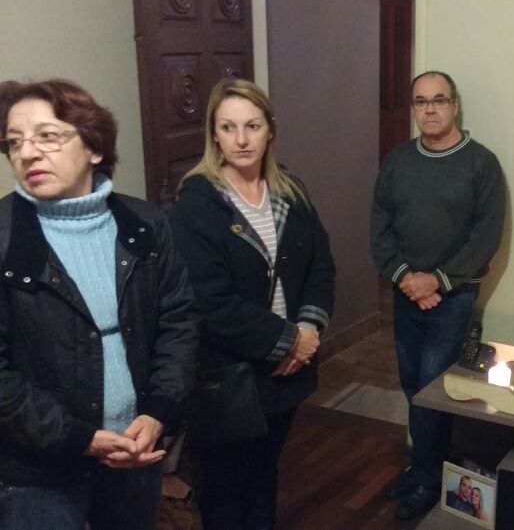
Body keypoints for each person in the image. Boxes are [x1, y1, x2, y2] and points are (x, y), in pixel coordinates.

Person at [0, 79, 198, 528]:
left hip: (135, 450)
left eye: (47, 136)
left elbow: (179, 323)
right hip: (39, 475)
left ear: (93, 147)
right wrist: (78, 437)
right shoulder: (6, 240)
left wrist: (157, 412)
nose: (27, 153)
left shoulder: (145, 225)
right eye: (14, 142)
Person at [170, 78, 335, 530]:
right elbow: (210, 302)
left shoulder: (290, 192)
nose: (241, 139)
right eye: (228, 127)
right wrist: (288, 340)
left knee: (265, 474)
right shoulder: (198, 204)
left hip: (287, 372)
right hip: (229, 376)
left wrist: (308, 330)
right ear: (214, 134)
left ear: (270, 130)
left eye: (252, 126)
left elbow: (320, 266)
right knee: (225, 488)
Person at [371, 71, 506, 519]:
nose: (429, 109)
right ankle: (423, 466)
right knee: (412, 385)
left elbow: (485, 237)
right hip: (406, 293)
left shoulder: (481, 164)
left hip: (454, 298)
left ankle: (430, 479)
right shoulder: (397, 162)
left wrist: (438, 282)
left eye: (438, 100)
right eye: (420, 101)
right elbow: (380, 229)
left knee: (434, 389)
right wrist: (408, 279)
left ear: (455, 105)